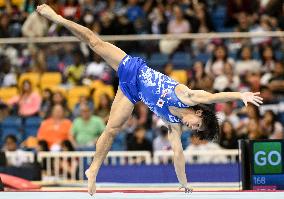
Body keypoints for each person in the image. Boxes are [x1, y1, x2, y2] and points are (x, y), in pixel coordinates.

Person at [36, 4, 263, 195]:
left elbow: (178, 155)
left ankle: (93, 169)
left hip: (131, 92)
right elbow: (214, 97)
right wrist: (240, 94)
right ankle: (57, 17)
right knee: (94, 42)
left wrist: (185, 185)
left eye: (194, 130)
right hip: (132, 68)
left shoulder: (174, 126)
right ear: (199, 113)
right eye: (197, 125)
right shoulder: (188, 96)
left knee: (112, 129)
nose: (191, 127)